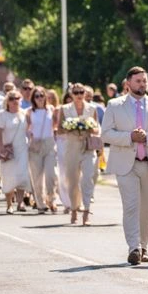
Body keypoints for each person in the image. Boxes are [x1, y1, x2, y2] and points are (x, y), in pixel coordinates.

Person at [102, 66, 148, 265]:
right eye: (138, 81)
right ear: (128, 84)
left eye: (144, 81)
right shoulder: (115, 105)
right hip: (126, 163)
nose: (142, 84)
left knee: (147, 208)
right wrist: (129, 137)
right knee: (131, 206)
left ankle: (144, 246)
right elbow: (105, 133)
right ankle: (133, 247)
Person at [57, 83, 100, 225]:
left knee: (88, 178)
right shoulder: (65, 109)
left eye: (81, 92)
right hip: (72, 147)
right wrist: (72, 126)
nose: (79, 95)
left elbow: (96, 129)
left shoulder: (92, 108)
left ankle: (86, 212)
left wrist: (89, 126)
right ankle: (74, 209)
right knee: (73, 181)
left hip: (88, 147)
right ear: (71, 94)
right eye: (76, 92)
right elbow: (59, 130)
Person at [26, 86, 59, 214]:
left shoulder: (51, 109)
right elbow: (26, 128)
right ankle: (40, 203)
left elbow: (56, 126)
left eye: (41, 95)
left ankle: (51, 199)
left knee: (51, 174)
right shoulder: (29, 112)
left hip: (49, 143)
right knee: (37, 177)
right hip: (35, 145)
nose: (39, 98)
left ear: (45, 97)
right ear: (33, 98)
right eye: (37, 96)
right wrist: (30, 136)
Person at [0, 90, 30, 214]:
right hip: (8, 149)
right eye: (11, 99)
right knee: (9, 176)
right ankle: (9, 204)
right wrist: (0, 147)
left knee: (22, 175)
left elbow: (28, 130)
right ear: (7, 101)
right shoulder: (2, 115)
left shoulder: (24, 114)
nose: (14, 101)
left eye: (17, 98)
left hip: (22, 148)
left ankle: (20, 203)